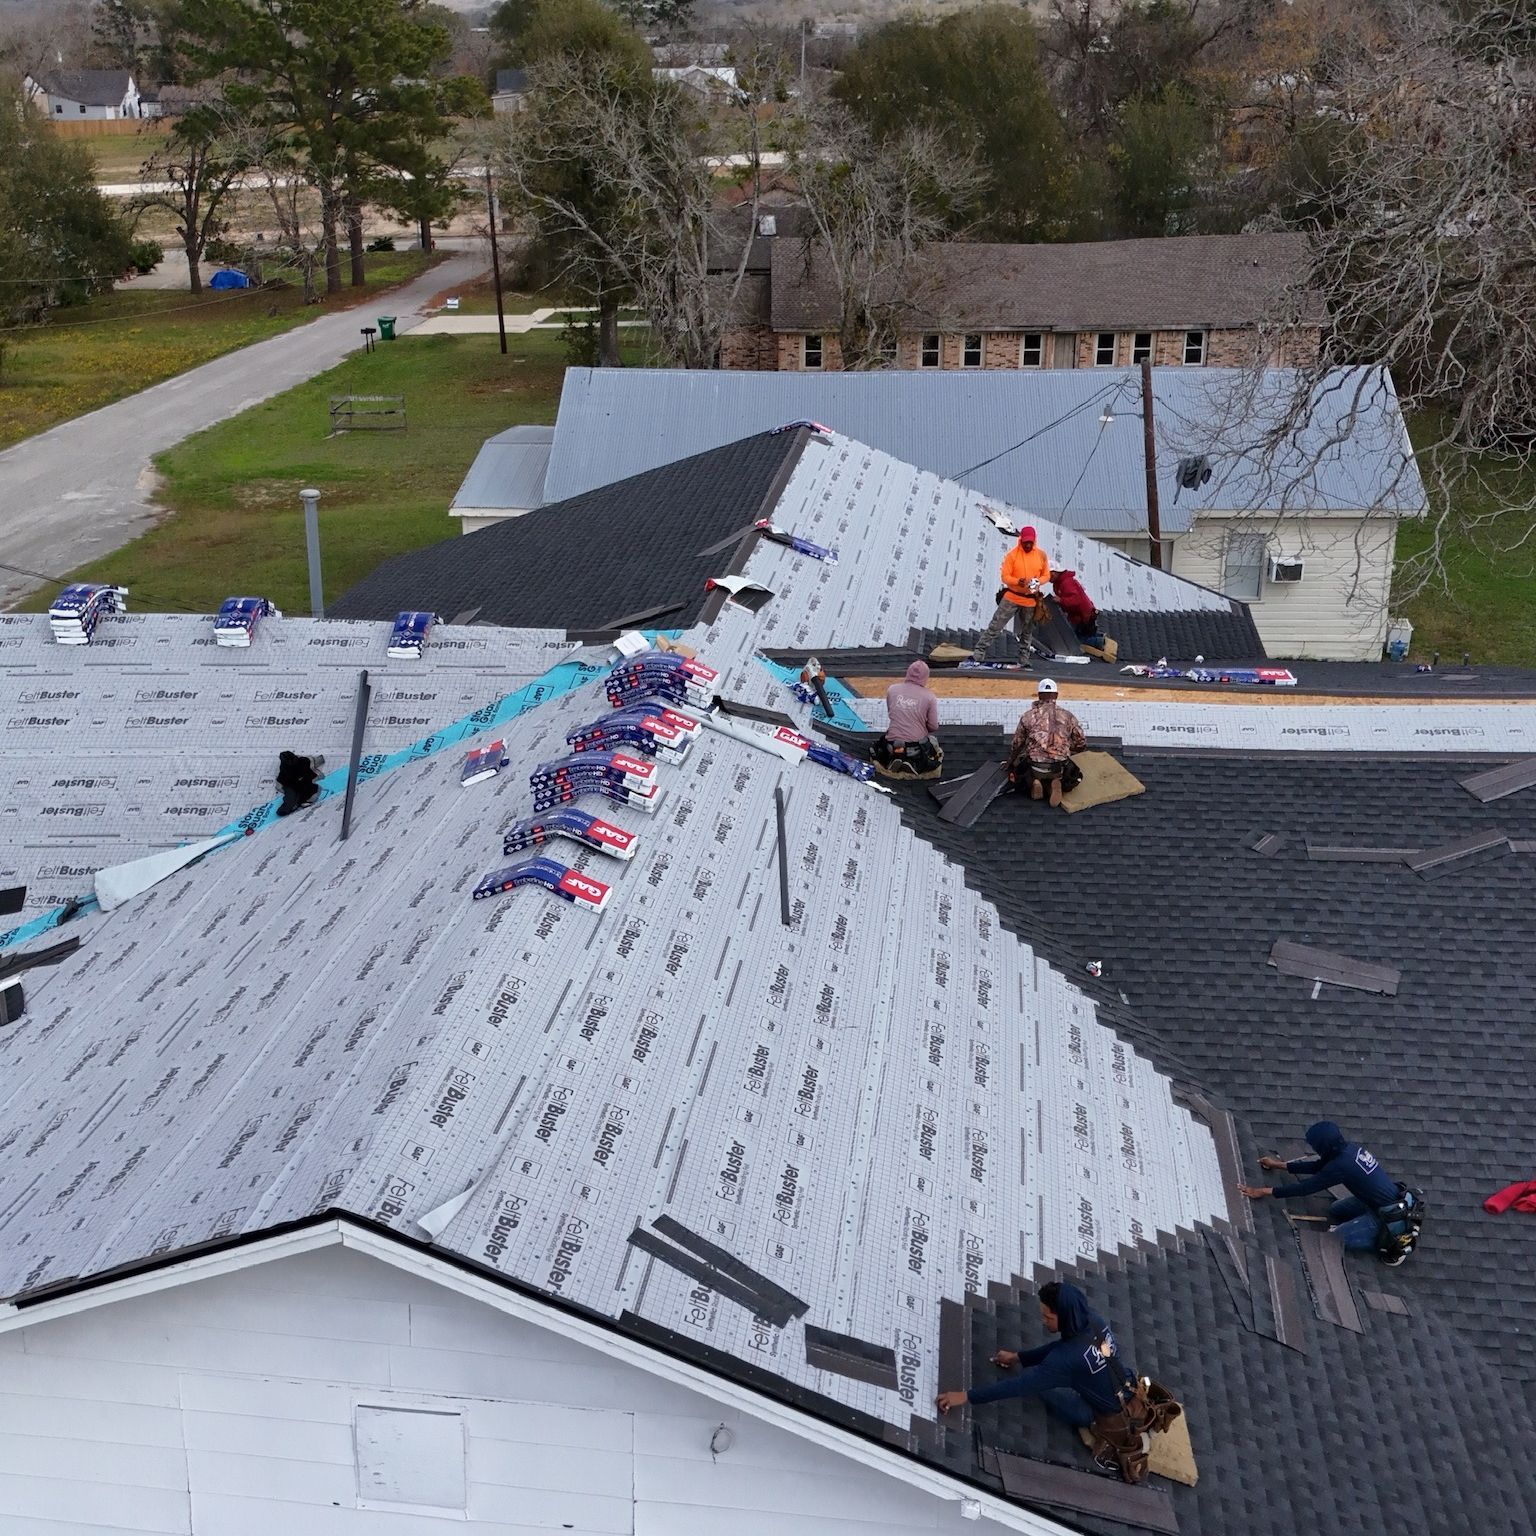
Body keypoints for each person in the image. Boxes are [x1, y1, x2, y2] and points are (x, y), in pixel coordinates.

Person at [1239, 1120, 1422, 1264]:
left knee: (1333, 1240)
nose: (1315, 1149)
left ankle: (1391, 1240)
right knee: (1336, 1210)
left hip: (1388, 1216)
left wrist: (1263, 1191)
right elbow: (1317, 1167)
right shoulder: (1347, 1150)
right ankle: (1366, 1221)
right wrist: (1277, 1165)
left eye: (1316, 1146)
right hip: (1374, 1202)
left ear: (1324, 1146)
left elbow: (1305, 1188)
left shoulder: (1342, 1164)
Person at [967, 525, 1050, 666]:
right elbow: (1005, 576)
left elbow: (1046, 574)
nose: (1028, 545)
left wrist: (1038, 581)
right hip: (1012, 596)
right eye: (1026, 542)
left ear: (1034, 541)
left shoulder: (1041, 555)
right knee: (996, 625)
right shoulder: (1012, 555)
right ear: (1021, 540)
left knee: (1027, 631)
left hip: (1030, 600)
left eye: (1030, 542)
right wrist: (1017, 581)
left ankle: (1024, 659)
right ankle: (978, 654)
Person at [1007, 679, 1086, 806]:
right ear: (1056, 695)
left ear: (1039, 695)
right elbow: (1081, 742)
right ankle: (1056, 780)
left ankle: (1034, 781)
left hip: (1035, 765)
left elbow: (1017, 743)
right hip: (1059, 766)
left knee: (1019, 770)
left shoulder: (1028, 716)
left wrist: (1010, 761)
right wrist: (1072, 750)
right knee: (1073, 772)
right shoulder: (1068, 716)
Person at [874, 660, 943, 777]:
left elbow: (892, 713)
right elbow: (933, 726)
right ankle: (914, 763)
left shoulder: (892, 689)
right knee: (933, 743)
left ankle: (893, 758)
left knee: (880, 744)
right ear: (925, 677)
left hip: (891, 743)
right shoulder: (929, 697)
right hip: (917, 747)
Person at [1052, 568, 1101, 641]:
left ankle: (1098, 641)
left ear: (1055, 572)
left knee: (1078, 639)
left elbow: (1076, 600)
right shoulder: (1058, 583)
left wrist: (1061, 600)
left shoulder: (1066, 583)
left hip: (1083, 616)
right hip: (1078, 615)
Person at [275, 750, 322, 817]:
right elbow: (282, 782)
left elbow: (311, 763)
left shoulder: (303, 761)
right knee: (292, 797)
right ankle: (290, 806)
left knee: (306, 790)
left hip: (303, 781)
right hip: (293, 785)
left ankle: (300, 801)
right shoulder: (284, 771)